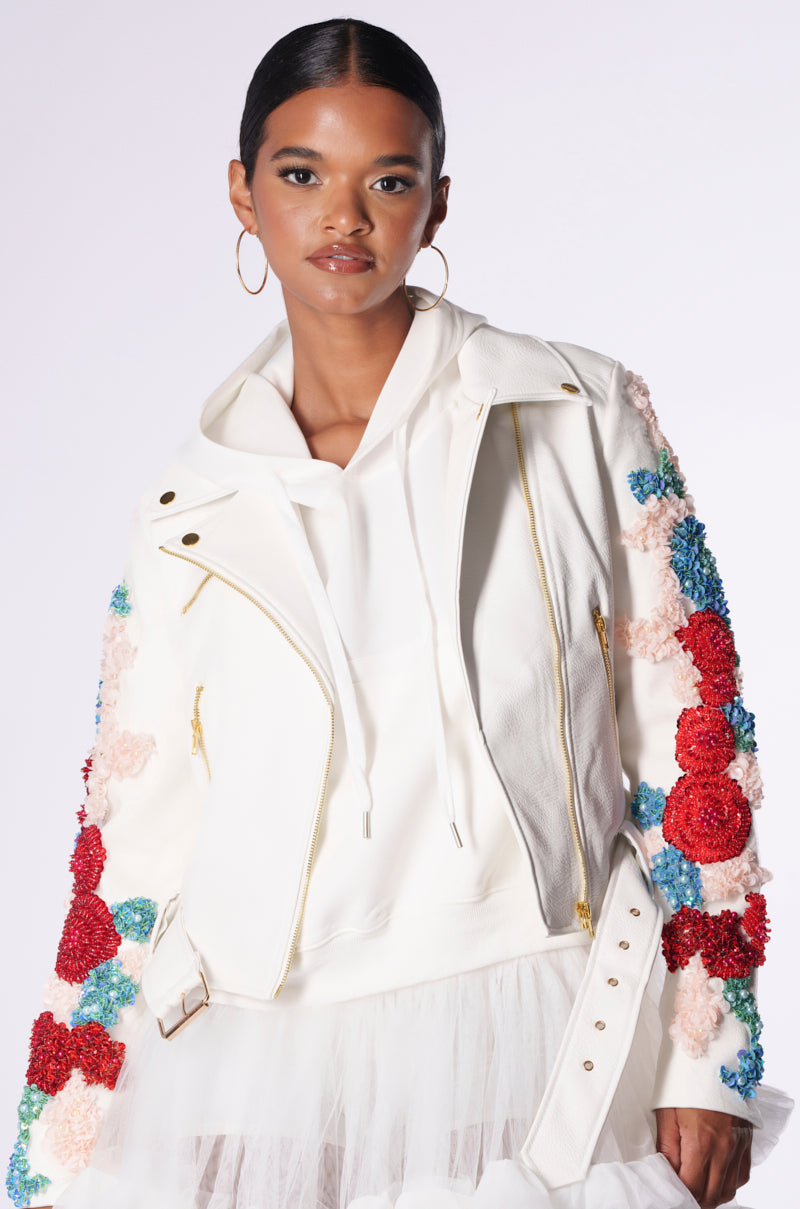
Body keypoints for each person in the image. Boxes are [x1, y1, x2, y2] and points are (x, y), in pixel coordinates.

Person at [5, 17, 791, 1209]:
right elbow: (134, 838)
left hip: (539, 1030)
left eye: (386, 179)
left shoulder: (576, 415)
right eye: (300, 175)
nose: (344, 217)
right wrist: (54, 1154)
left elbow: (691, 744)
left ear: (435, 202)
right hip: (249, 1066)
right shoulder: (190, 508)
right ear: (242, 193)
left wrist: (711, 1053)